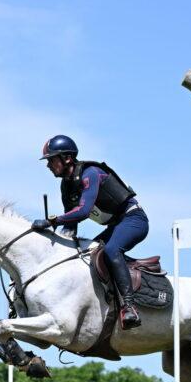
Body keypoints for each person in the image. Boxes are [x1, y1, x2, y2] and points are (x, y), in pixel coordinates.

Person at [35, 134, 149, 329]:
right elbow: (70, 226)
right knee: (89, 256)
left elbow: (83, 211)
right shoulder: (67, 185)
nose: (48, 166)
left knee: (111, 250)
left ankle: (129, 307)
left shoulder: (91, 173)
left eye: (51, 160)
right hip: (115, 226)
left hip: (134, 219)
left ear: (67, 158)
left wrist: (49, 221)